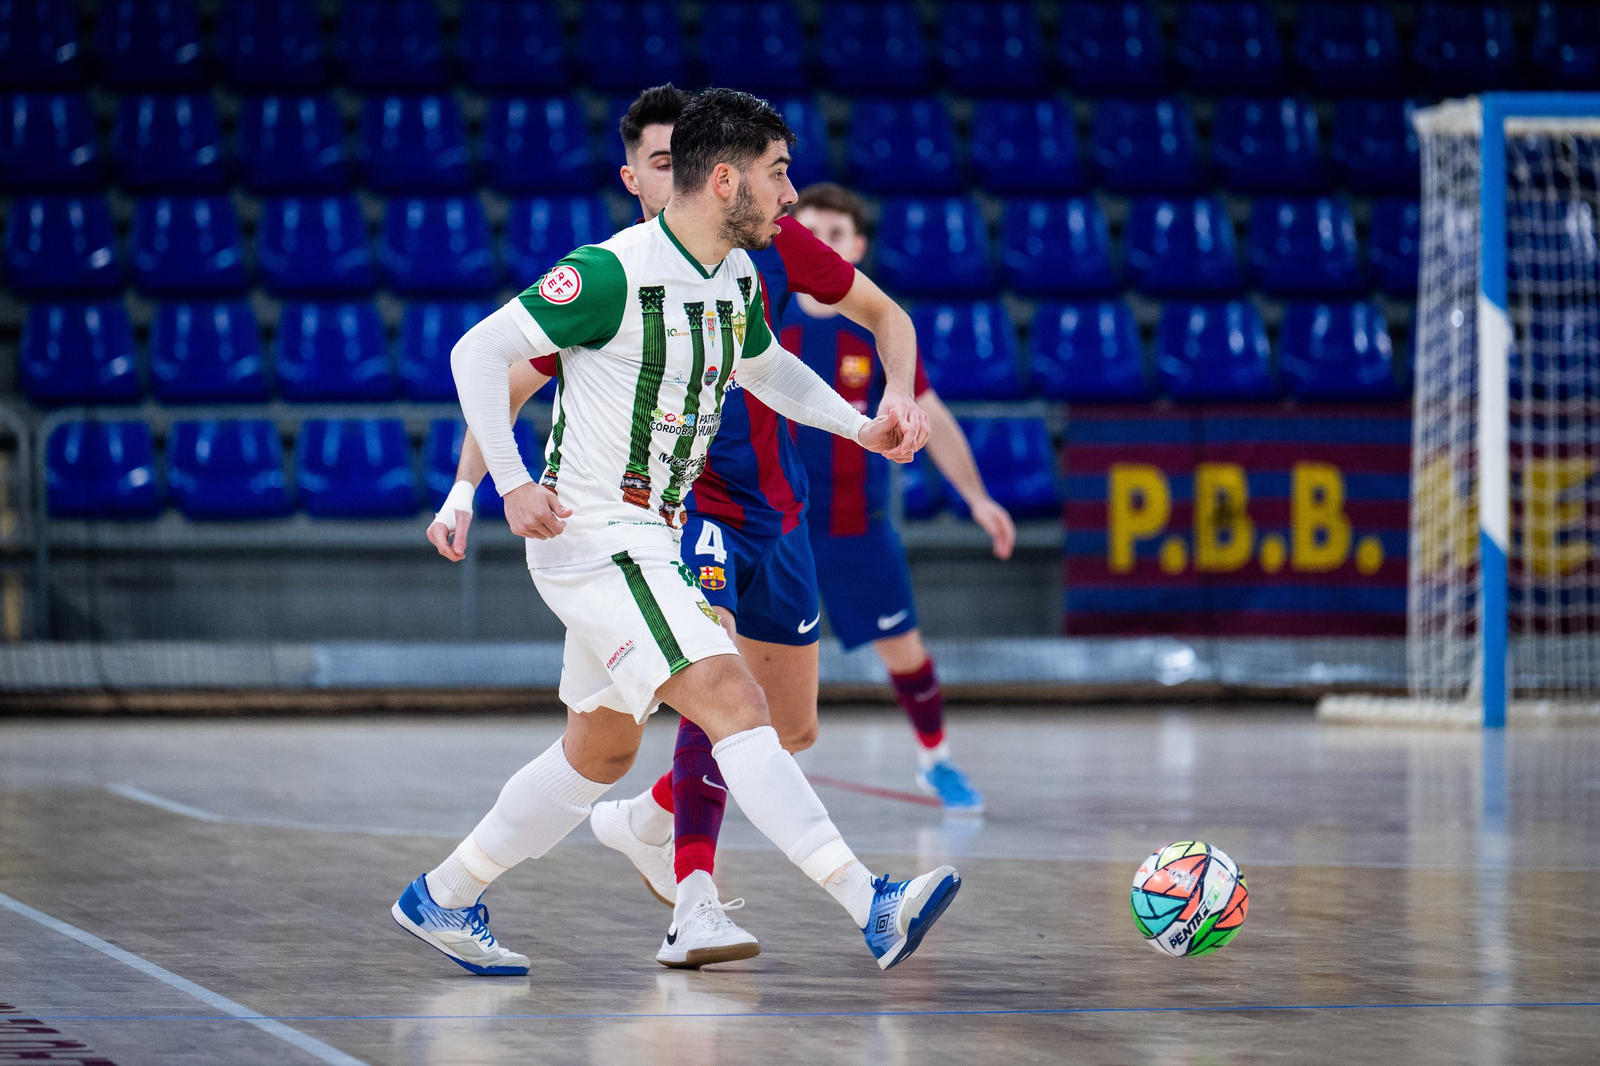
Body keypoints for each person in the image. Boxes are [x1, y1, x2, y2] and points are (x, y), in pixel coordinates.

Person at [395, 89, 959, 979]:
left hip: (647, 534)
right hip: (597, 540)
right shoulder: (610, 273)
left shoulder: (733, 277)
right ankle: (871, 900)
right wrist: (501, 484)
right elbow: (477, 353)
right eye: (778, 174)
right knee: (736, 697)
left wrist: (860, 429)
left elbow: (770, 371)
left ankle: (444, 894)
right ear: (726, 178)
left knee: (602, 751)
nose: (790, 192)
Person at [784, 183, 1016, 813]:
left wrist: (977, 498)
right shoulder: (762, 314)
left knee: (904, 649)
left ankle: (936, 762)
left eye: (836, 235)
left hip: (857, 525)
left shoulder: (879, 328)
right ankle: (724, 775)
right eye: (811, 233)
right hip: (774, 525)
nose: (823, 245)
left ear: (856, 247)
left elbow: (931, 415)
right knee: (745, 659)